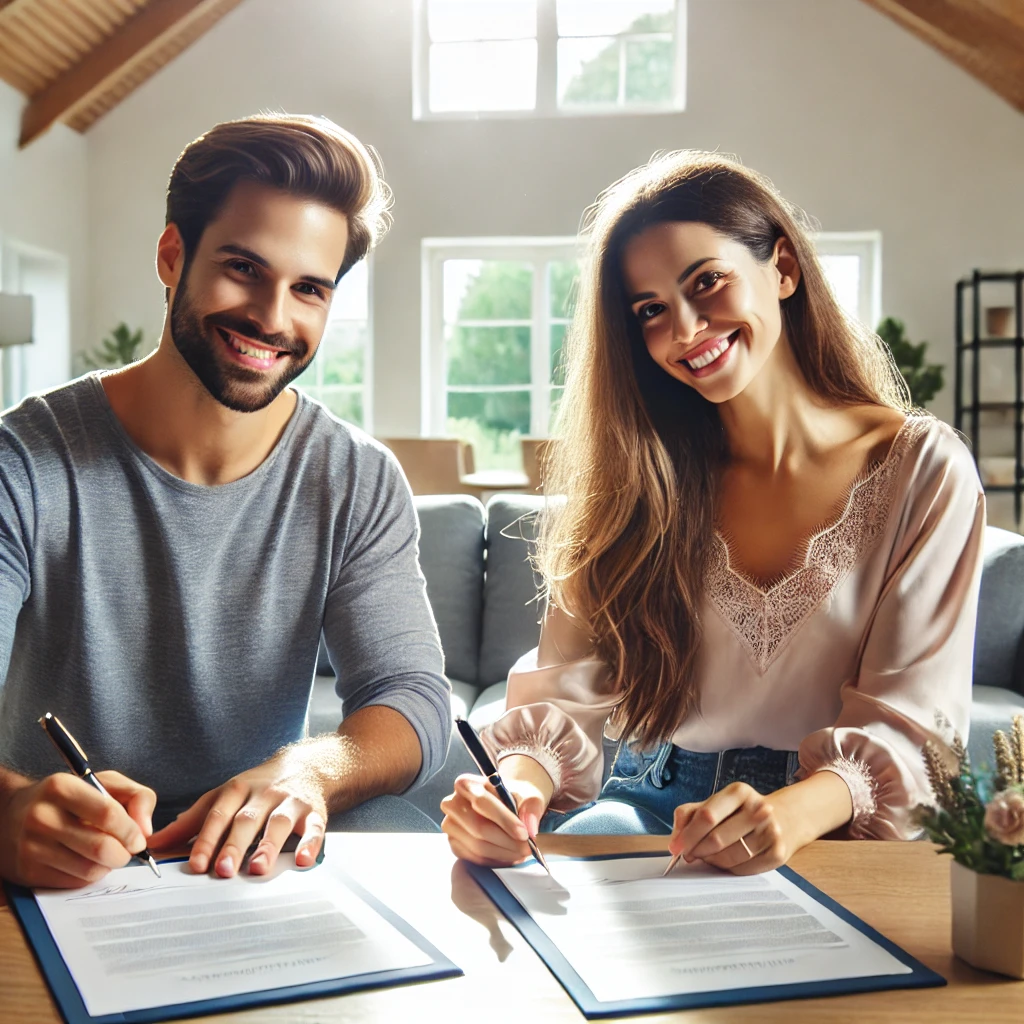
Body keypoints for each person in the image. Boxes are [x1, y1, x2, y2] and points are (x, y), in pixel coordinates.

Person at [441, 151, 985, 875]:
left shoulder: (923, 469)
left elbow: (913, 725)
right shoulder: (639, 480)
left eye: (707, 282)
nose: (688, 328)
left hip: (837, 823)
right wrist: (514, 793)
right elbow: (566, 689)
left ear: (783, 268)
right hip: (654, 806)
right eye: (652, 312)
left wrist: (788, 813)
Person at [0, 114, 451, 890]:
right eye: (244, 269)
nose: (274, 319)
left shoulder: (356, 478)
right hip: (67, 865)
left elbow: (411, 700)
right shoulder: (23, 462)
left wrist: (311, 769)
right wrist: (6, 811)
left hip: (248, 864)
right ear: (173, 255)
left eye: (309, 288)